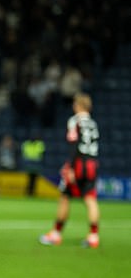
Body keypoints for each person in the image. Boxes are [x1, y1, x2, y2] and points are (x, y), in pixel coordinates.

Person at [40, 92, 100, 248]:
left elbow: (74, 146)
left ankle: (56, 234)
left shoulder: (74, 121)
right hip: (92, 164)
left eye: (75, 104)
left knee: (64, 198)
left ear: (78, 105)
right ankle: (94, 236)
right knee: (90, 199)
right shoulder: (93, 123)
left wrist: (71, 167)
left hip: (79, 164)